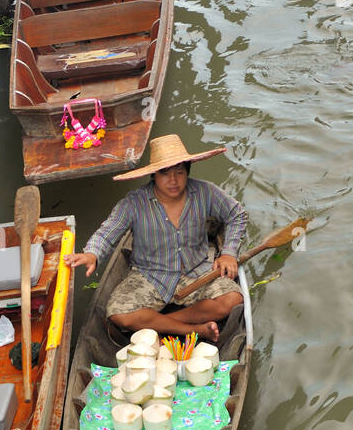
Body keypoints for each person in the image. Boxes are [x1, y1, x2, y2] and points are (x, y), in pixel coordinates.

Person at [66, 133, 246, 340]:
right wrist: (92, 254)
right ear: (154, 175)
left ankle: (157, 321)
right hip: (150, 275)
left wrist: (229, 253)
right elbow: (107, 233)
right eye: (165, 173)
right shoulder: (134, 203)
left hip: (197, 270)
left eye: (179, 172)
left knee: (233, 299)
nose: (173, 180)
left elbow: (237, 214)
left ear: (187, 171)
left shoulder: (204, 191)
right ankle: (191, 329)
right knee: (118, 314)